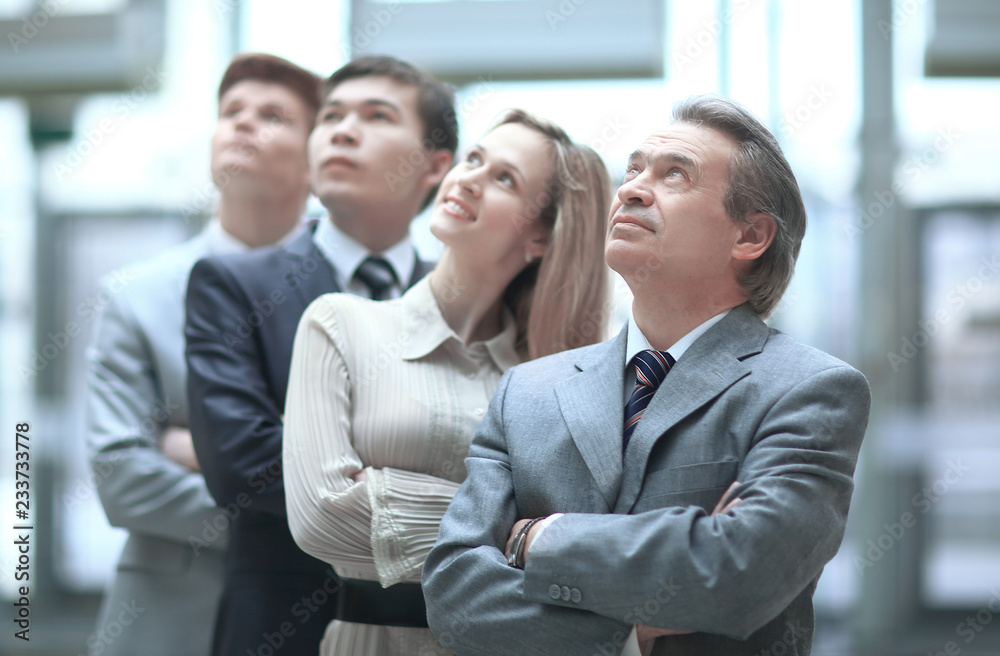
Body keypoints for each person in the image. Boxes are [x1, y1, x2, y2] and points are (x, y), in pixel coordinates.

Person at [423, 95, 872, 656]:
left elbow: (735, 576)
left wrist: (538, 538)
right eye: (633, 169)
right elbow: (453, 600)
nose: (632, 189)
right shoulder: (526, 392)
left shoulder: (810, 389)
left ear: (750, 236)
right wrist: (631, 629)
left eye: (675, 175)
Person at [281, 108, 611, 656]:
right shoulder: (339, 324)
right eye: (473, 158)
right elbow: (321, 517)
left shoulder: (549, 383)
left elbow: (586, 538)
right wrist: (520, 531)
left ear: (540, 238)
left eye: (504, 178)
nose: (470, 177)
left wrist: (383, 490)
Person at [185, 56, 457, 656]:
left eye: (376, 115)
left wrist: (331, 458)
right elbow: (240, 467)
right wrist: (452, 497)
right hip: (283, 627)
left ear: (435, 165)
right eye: (330, 115)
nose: (342, 128)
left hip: (440, 626)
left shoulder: (463, 299)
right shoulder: (232, 283)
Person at [85, 52, 319, 656]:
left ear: (316, 159)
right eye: (231, 111)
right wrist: (307, 513)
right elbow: (121, 476)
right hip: (167, 623)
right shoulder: (134, 296)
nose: (243, 124)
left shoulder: (350, 291)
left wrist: (199, 449)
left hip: (317, 619)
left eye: (273, 115)